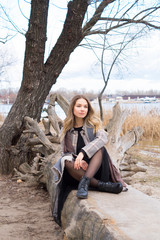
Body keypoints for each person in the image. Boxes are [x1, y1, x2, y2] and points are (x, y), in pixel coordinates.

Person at [52, 95, 127, 225]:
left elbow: (102, 139)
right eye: (79, 106)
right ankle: (100, 186)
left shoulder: (94, 124)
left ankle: (86, 182)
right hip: (78, 170)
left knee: (100, 149)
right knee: (65, 161)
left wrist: (83, 153)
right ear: (73, 109)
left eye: (85, 106)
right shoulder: (67, 129)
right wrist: (77, 159)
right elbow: (65, 152)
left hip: (96, 168)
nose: (82, 109)